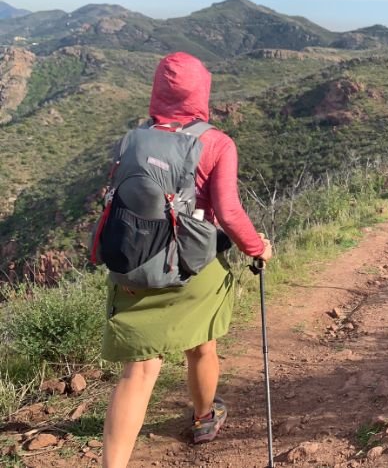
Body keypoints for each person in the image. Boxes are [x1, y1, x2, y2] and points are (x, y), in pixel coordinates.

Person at [100, 52, 273, 468]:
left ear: (157, 89)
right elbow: (228, 213)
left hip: (136, 263)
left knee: (138, 374)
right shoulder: (216, 142)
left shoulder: (132, 140)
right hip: (194, 267)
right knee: (201, 345)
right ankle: (203, 418)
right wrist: (257, 248)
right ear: (202, 91)